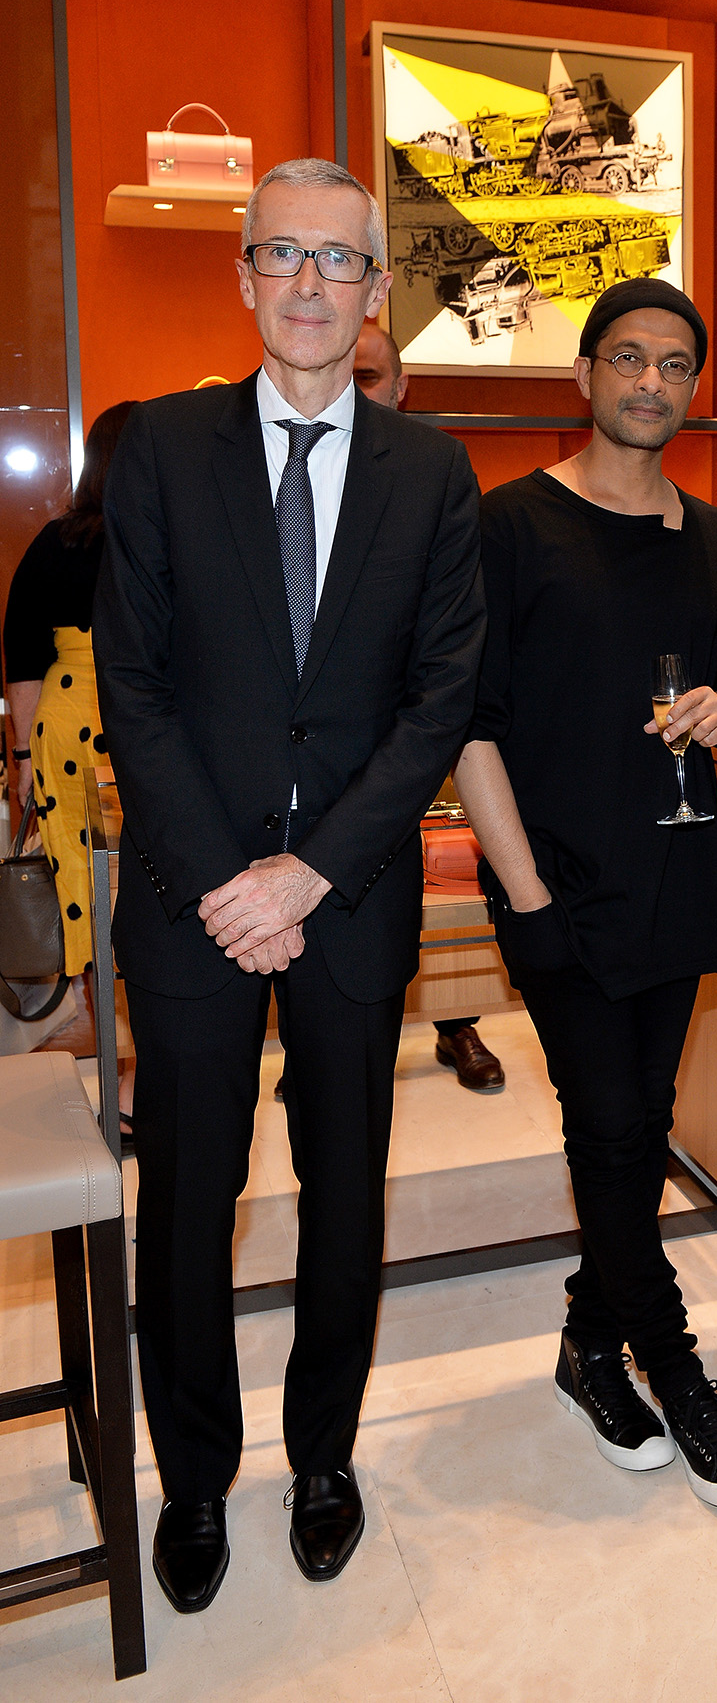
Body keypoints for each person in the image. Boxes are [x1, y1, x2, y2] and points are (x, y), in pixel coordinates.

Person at [92, 157, 484, 1611]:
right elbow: (131, 684)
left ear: (380, 294)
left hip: (355, 895)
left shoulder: (433, 473)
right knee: (190, 1197)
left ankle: (325, 1452)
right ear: (243, 277)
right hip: (195, 902)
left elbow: (438, 701)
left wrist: (309, 873)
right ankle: (193, 1475)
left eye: (343, 262)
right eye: (284, 256)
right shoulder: (162, 450)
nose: (313, 285)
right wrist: (231, 880)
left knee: (344, 1191)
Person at [454, 278, 717, 1511]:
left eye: (676, 365)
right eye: (629, 359)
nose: (652, 383)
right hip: (560, 887)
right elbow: (468, 727)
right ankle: (676, 1366)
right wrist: (525, 894)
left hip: (679, 869)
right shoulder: (509, 526)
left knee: (643, 1122)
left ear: (694, 388)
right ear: (584, 375)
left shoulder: (716, 539)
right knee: (608, 1130)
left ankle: (592, 1342)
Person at [352, 319, 505, 1093]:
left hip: (425, 742)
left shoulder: (438, 477)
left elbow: (455, 635)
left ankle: (457, 1023)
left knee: (447, 876)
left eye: (371, 377)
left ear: (402, 387)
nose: (355, 391)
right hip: (319, 766)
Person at [4, 401, 134, 972]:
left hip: (66, 721)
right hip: (145, 720)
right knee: (151, 874)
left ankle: (103, 1005)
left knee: (82, 874)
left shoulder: (55, 542)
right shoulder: (170, 542)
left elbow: (25, 659)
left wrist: (26, 755)